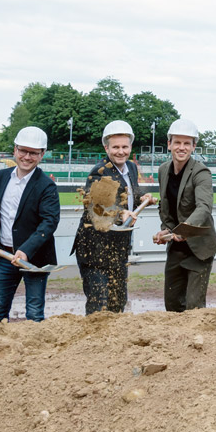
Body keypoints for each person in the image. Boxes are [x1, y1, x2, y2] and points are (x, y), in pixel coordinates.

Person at [0, 127, 60, 324]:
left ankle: (32, 354)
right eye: (23, 151)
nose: (27, 157)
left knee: (34, 313)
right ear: (15, 150)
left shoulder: (46, 185)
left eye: (33, 153)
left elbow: (49, 222)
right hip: (5, 255)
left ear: (42, 154)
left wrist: (26, 250)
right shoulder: (2, 176)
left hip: (34, 260)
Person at [71, 120, 152, 315]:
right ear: (106, 148)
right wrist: (120, 213)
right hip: (95, 250)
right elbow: (96, 208)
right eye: (115, 147)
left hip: (118, 248)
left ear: (130, 147)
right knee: (99, 303)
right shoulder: (99, 173)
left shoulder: (130, 168)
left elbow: (129, 191)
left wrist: (143, 197)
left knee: (118, 300)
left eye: (125, 147)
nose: (120, 151)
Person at [152, 119, 216, 312]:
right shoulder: (163, 170)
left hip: (198, 248)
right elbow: (165, 205)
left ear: (193, 146)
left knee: (194, 307)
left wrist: (184, 230)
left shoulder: (201, 172)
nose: (181, 148)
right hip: (176, 247)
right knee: (172, 304)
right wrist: (165, 229)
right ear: (169, 144)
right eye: (177, 142)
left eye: (186, 143)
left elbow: (204, 207)